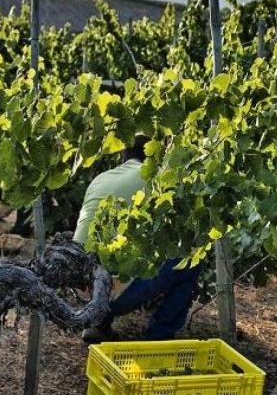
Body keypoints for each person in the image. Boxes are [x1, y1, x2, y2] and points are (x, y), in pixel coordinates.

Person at [74, 135, 201, 341]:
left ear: (123, 156)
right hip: (109, 292)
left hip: (79, 288)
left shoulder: (101, 178)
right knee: (190, 261)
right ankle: (158, 339)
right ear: (154, 159)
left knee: (114, 250)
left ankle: (97, 323)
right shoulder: (155, 178)